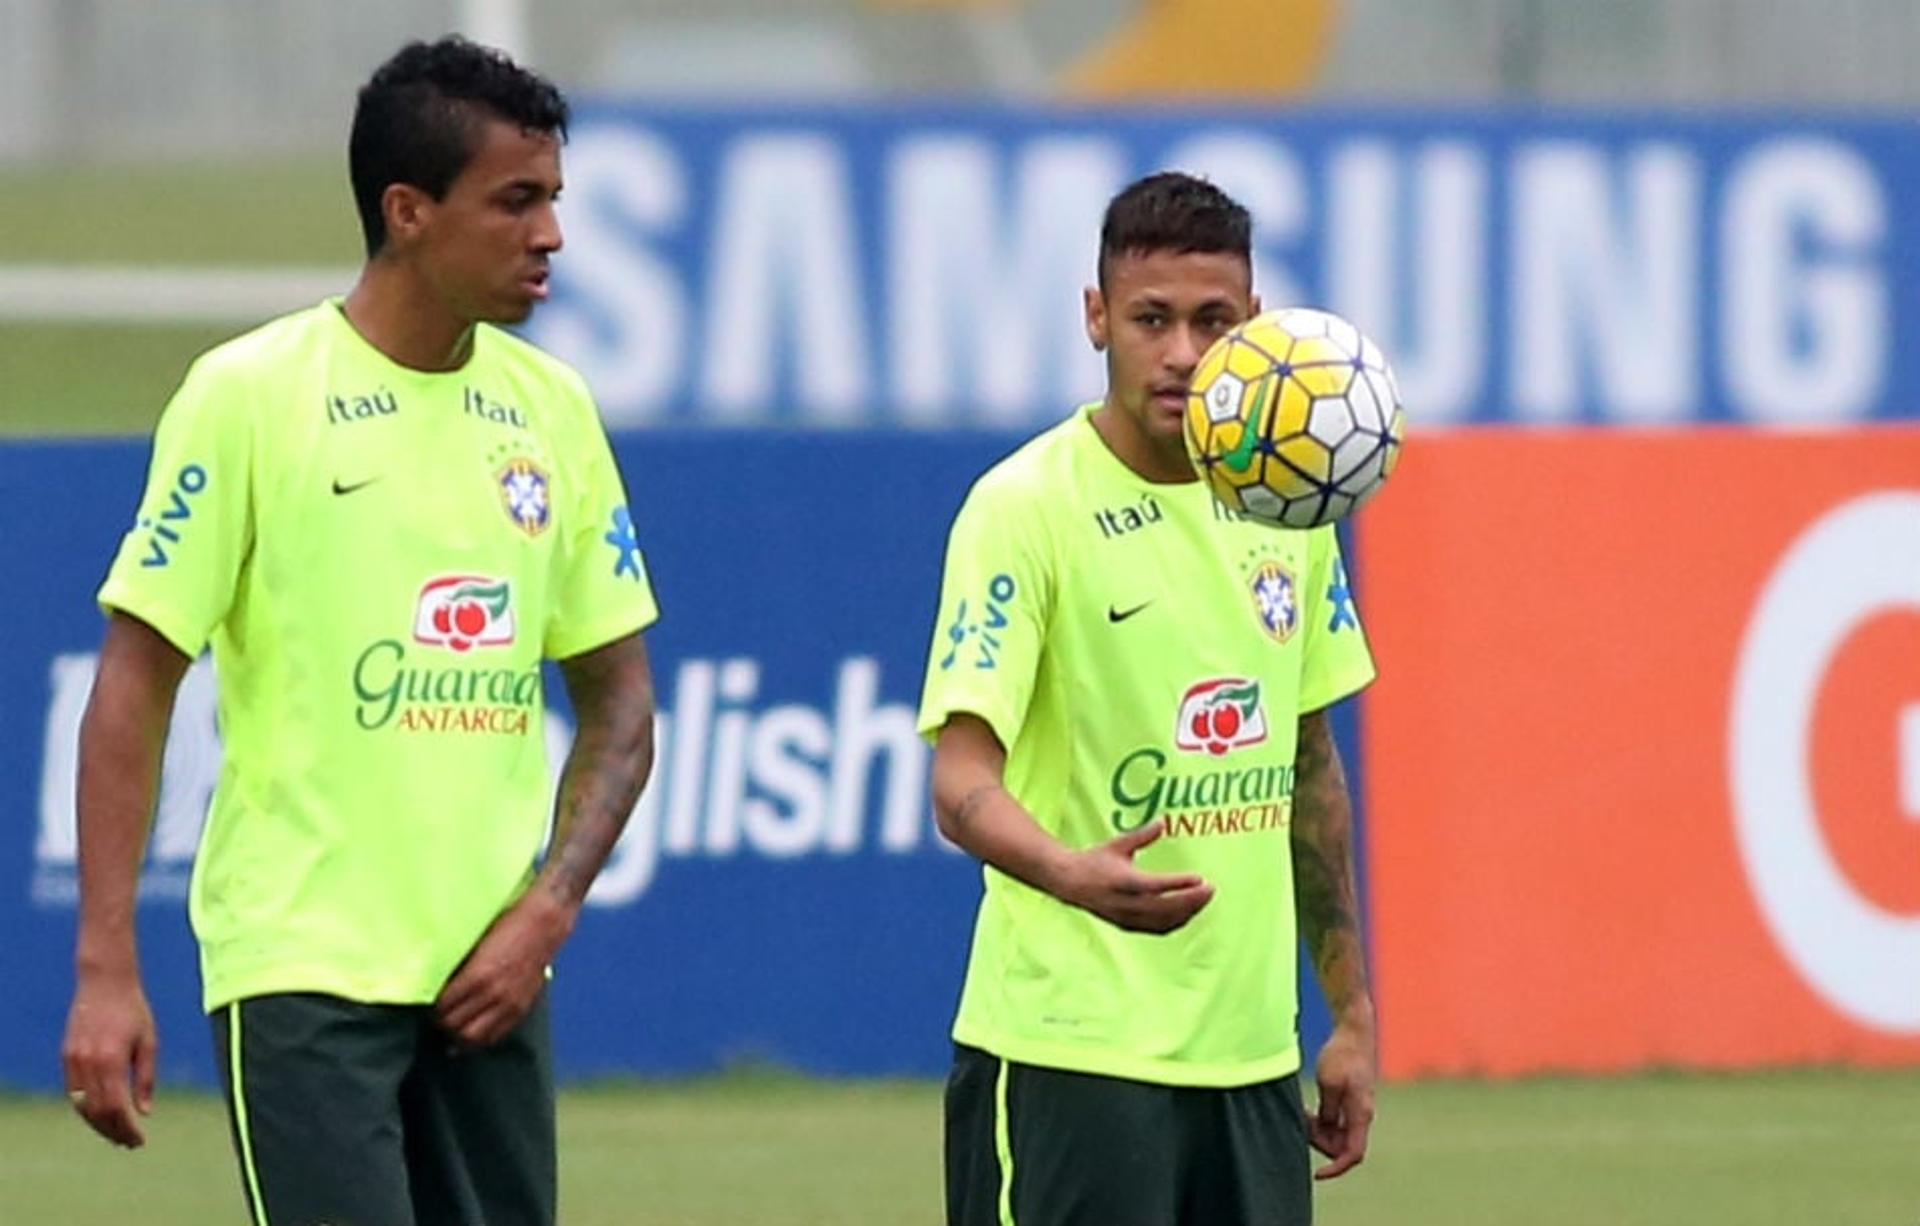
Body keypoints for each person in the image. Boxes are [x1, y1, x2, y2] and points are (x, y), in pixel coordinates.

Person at [59, 36, 659, 1226]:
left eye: (553, 200)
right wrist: (105, 966)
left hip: (490, 981)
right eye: (516, 200)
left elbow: (623, 703)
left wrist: (544, 909)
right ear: (409, 210)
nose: (550, 233)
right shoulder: (249, 396)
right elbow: (133, 682)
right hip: (303, 976)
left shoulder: (552, 410)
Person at [919, 171, 1379, 1226]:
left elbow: (1309, 765)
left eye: (1212, 320)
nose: (1181, 352)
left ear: (1254, 326)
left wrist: (1347, 1012)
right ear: (1097, 319)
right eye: (1151, 319)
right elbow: (959, 781)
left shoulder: (1289, 503)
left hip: (1253, 1062)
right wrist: (1068, 874)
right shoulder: (1023, 507)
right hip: (1069, 1054)